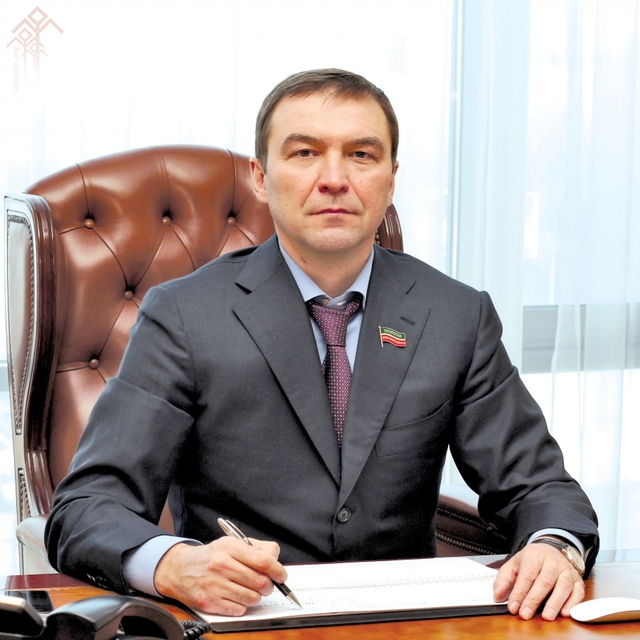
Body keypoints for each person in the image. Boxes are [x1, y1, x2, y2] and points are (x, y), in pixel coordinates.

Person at [45, 68, 599, 622]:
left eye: (361, 155)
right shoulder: (185, 315)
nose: (334, 179)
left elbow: (541, 488)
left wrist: (555, 546)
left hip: (404, 628)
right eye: (305, 153)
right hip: (244, 624)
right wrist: (172, 564)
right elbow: (86, 507)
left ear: (391, 179)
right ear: (261, 177)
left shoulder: (454, 314)